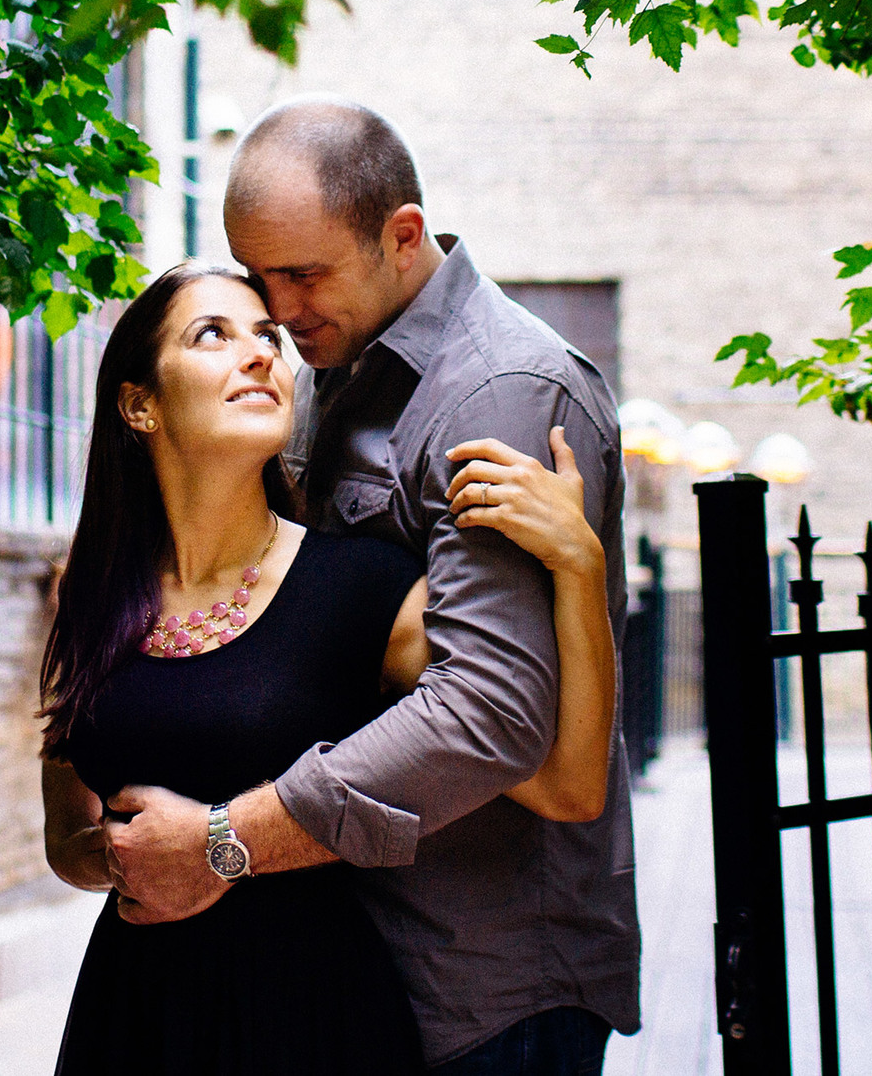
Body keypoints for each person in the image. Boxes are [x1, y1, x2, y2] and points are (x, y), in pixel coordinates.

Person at [103, 99, 639, 1074]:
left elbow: (491, 715)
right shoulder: (331, 366)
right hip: (349, 964)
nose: (279, 312)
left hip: (484, 981)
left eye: (302, 274)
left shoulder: (499, 393)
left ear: (402, 234)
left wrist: (223, 839)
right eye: (259, 278)